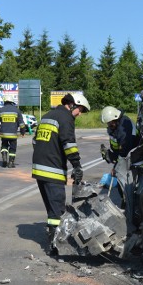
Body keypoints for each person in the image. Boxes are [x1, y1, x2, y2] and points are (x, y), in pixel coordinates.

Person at [31, 92, 90, 255]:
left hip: (39, 169)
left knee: (51, 209)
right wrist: (77, 166)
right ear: (72, 105)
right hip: (52, 170)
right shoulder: (66, 118)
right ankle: (55, 245)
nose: (80, 114)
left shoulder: (48, 115)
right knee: (57, 210)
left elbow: (35, 141)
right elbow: (69, 144)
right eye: (81, 110)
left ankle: (53, 240)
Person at [100, 105, 141, 172]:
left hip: (133, 152)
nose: (109, 125)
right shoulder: (118, 124)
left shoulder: (123, 129)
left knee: (121, 173)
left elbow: (124, 152)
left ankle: (111, 157)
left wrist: (116, 167)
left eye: (110, 123)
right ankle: (111, 156)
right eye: (108, 123)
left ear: (115, 118)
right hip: (122, 151)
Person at [0, 93, 26, 168]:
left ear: (5, 101)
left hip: (3, 133)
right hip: (13, 134)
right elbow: (21, 124)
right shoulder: (17, 111)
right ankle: (11, 162)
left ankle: (4, 156)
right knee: (13, 148)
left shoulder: (0, 110)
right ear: (12, 102)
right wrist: (23, 132)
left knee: (4, 145)